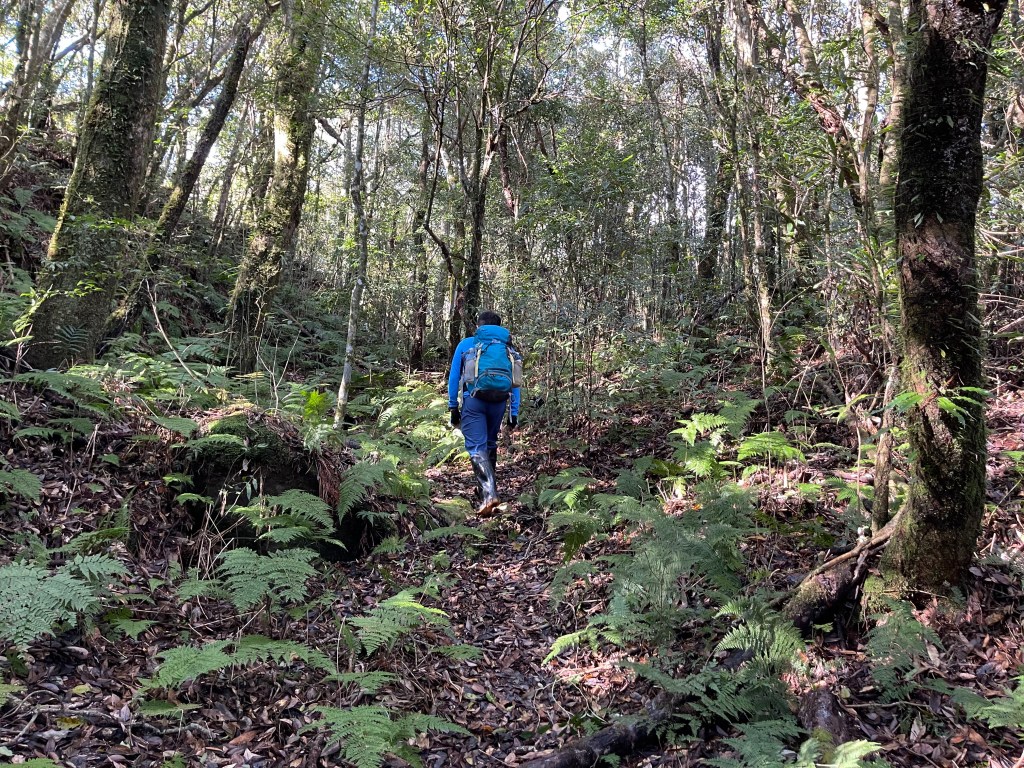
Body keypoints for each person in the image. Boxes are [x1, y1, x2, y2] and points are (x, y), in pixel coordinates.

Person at [447, 311, 521, 516]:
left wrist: (453, 406)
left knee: (476, 446)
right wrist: (514, 413)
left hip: (474, 401)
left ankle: (489, 495)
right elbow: (516, 383)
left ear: (479, 326)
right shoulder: (508, 349)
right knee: (489, 443)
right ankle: (486, 492)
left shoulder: (466, 344)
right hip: (499, 402)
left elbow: (454, 377)